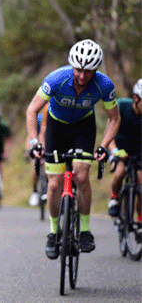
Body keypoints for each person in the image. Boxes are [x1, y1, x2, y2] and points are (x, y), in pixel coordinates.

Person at [26, 39, 120, 260]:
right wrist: (33, 142)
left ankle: (85, 230)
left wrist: (104, 146)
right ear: (71, 66)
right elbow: (32, 110)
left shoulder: (104, 85)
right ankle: (53, 232)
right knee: (54, 183)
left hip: (82, 128)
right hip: (56, 128)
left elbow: (114, 119)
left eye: (88, 71)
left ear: (96, 70)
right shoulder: (57, 79)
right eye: (78, 69)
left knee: (81, 175)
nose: (82, 75)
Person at [107, 79, 142, 220]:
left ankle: (140, 220)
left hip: (138, 151)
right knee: (119, 172)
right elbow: (109, 133)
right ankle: (114, 198)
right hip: (119, 148)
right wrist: (115, 151)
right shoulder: (121, 106)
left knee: (141, 181)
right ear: (136, 98)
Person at [27, 104, 48, 206]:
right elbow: (30, 136)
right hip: (38, 142)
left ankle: (48, 188)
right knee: (35, 165)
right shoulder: (39, 119)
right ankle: (35, 191)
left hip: (49, 142)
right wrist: (30, 148)